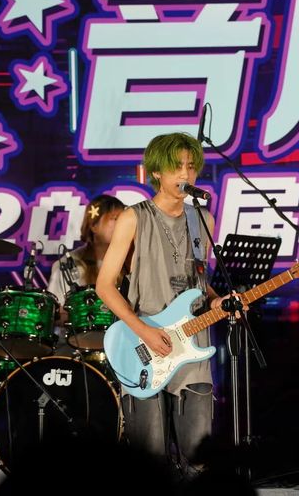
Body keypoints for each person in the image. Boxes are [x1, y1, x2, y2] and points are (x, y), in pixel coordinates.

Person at [96, 132, 230, 478]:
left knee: (197, 461)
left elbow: (198, 281)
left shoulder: (203, 220)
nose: (186, 174)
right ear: (156, 171)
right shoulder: (133, 218)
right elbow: (104, 286)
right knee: (150, 462)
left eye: (191, 166)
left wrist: (216, 300)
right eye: (177, 167)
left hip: (192, 349)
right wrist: (144, 330)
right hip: (144, 346)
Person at [47, 194, 125, 354]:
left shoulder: (132, 263)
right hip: (76, 350)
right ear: (94, 226)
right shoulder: (68, 264)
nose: (121, 224)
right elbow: (54, 313)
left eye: (123, 220)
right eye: (114, 219)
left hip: (121, 346)